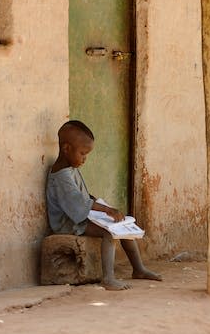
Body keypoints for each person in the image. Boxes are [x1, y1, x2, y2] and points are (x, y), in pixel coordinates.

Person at [46, 120, 162, 290]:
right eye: (83, 153)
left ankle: (139, 269)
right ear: (66, 149)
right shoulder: (61, 177)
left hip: (79, 216)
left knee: (121, 226)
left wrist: (98, 204)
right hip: (68, 223)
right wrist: (106, 209)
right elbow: (79, 204)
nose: (85, 159)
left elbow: (82, 196)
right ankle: (108, 278)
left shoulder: (70, 167)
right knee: (110, 233)